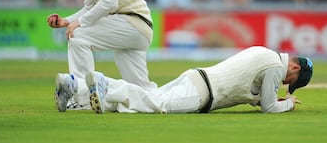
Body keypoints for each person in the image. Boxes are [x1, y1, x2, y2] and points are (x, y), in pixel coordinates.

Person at [47, 0, 157, 112]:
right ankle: (167, 101)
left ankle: (80, 97)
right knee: (141, 92)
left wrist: (78, 24)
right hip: (126, 31)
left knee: (78, 35)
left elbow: (109, 2)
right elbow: (90, 6)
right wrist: (67, 20)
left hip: (134, 23)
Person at [84, 46, 314, 114]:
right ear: (293, 66)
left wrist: (264, 98)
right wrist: (290, 103)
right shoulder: (275, 67)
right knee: (157, 105)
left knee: (149, 100)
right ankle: (108, 87)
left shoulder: (266, 53)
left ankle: (78, 88)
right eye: (291, 80)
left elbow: (246, 85)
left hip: (197, 78)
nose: (286, 84)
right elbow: (270, 107)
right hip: (203, 94)